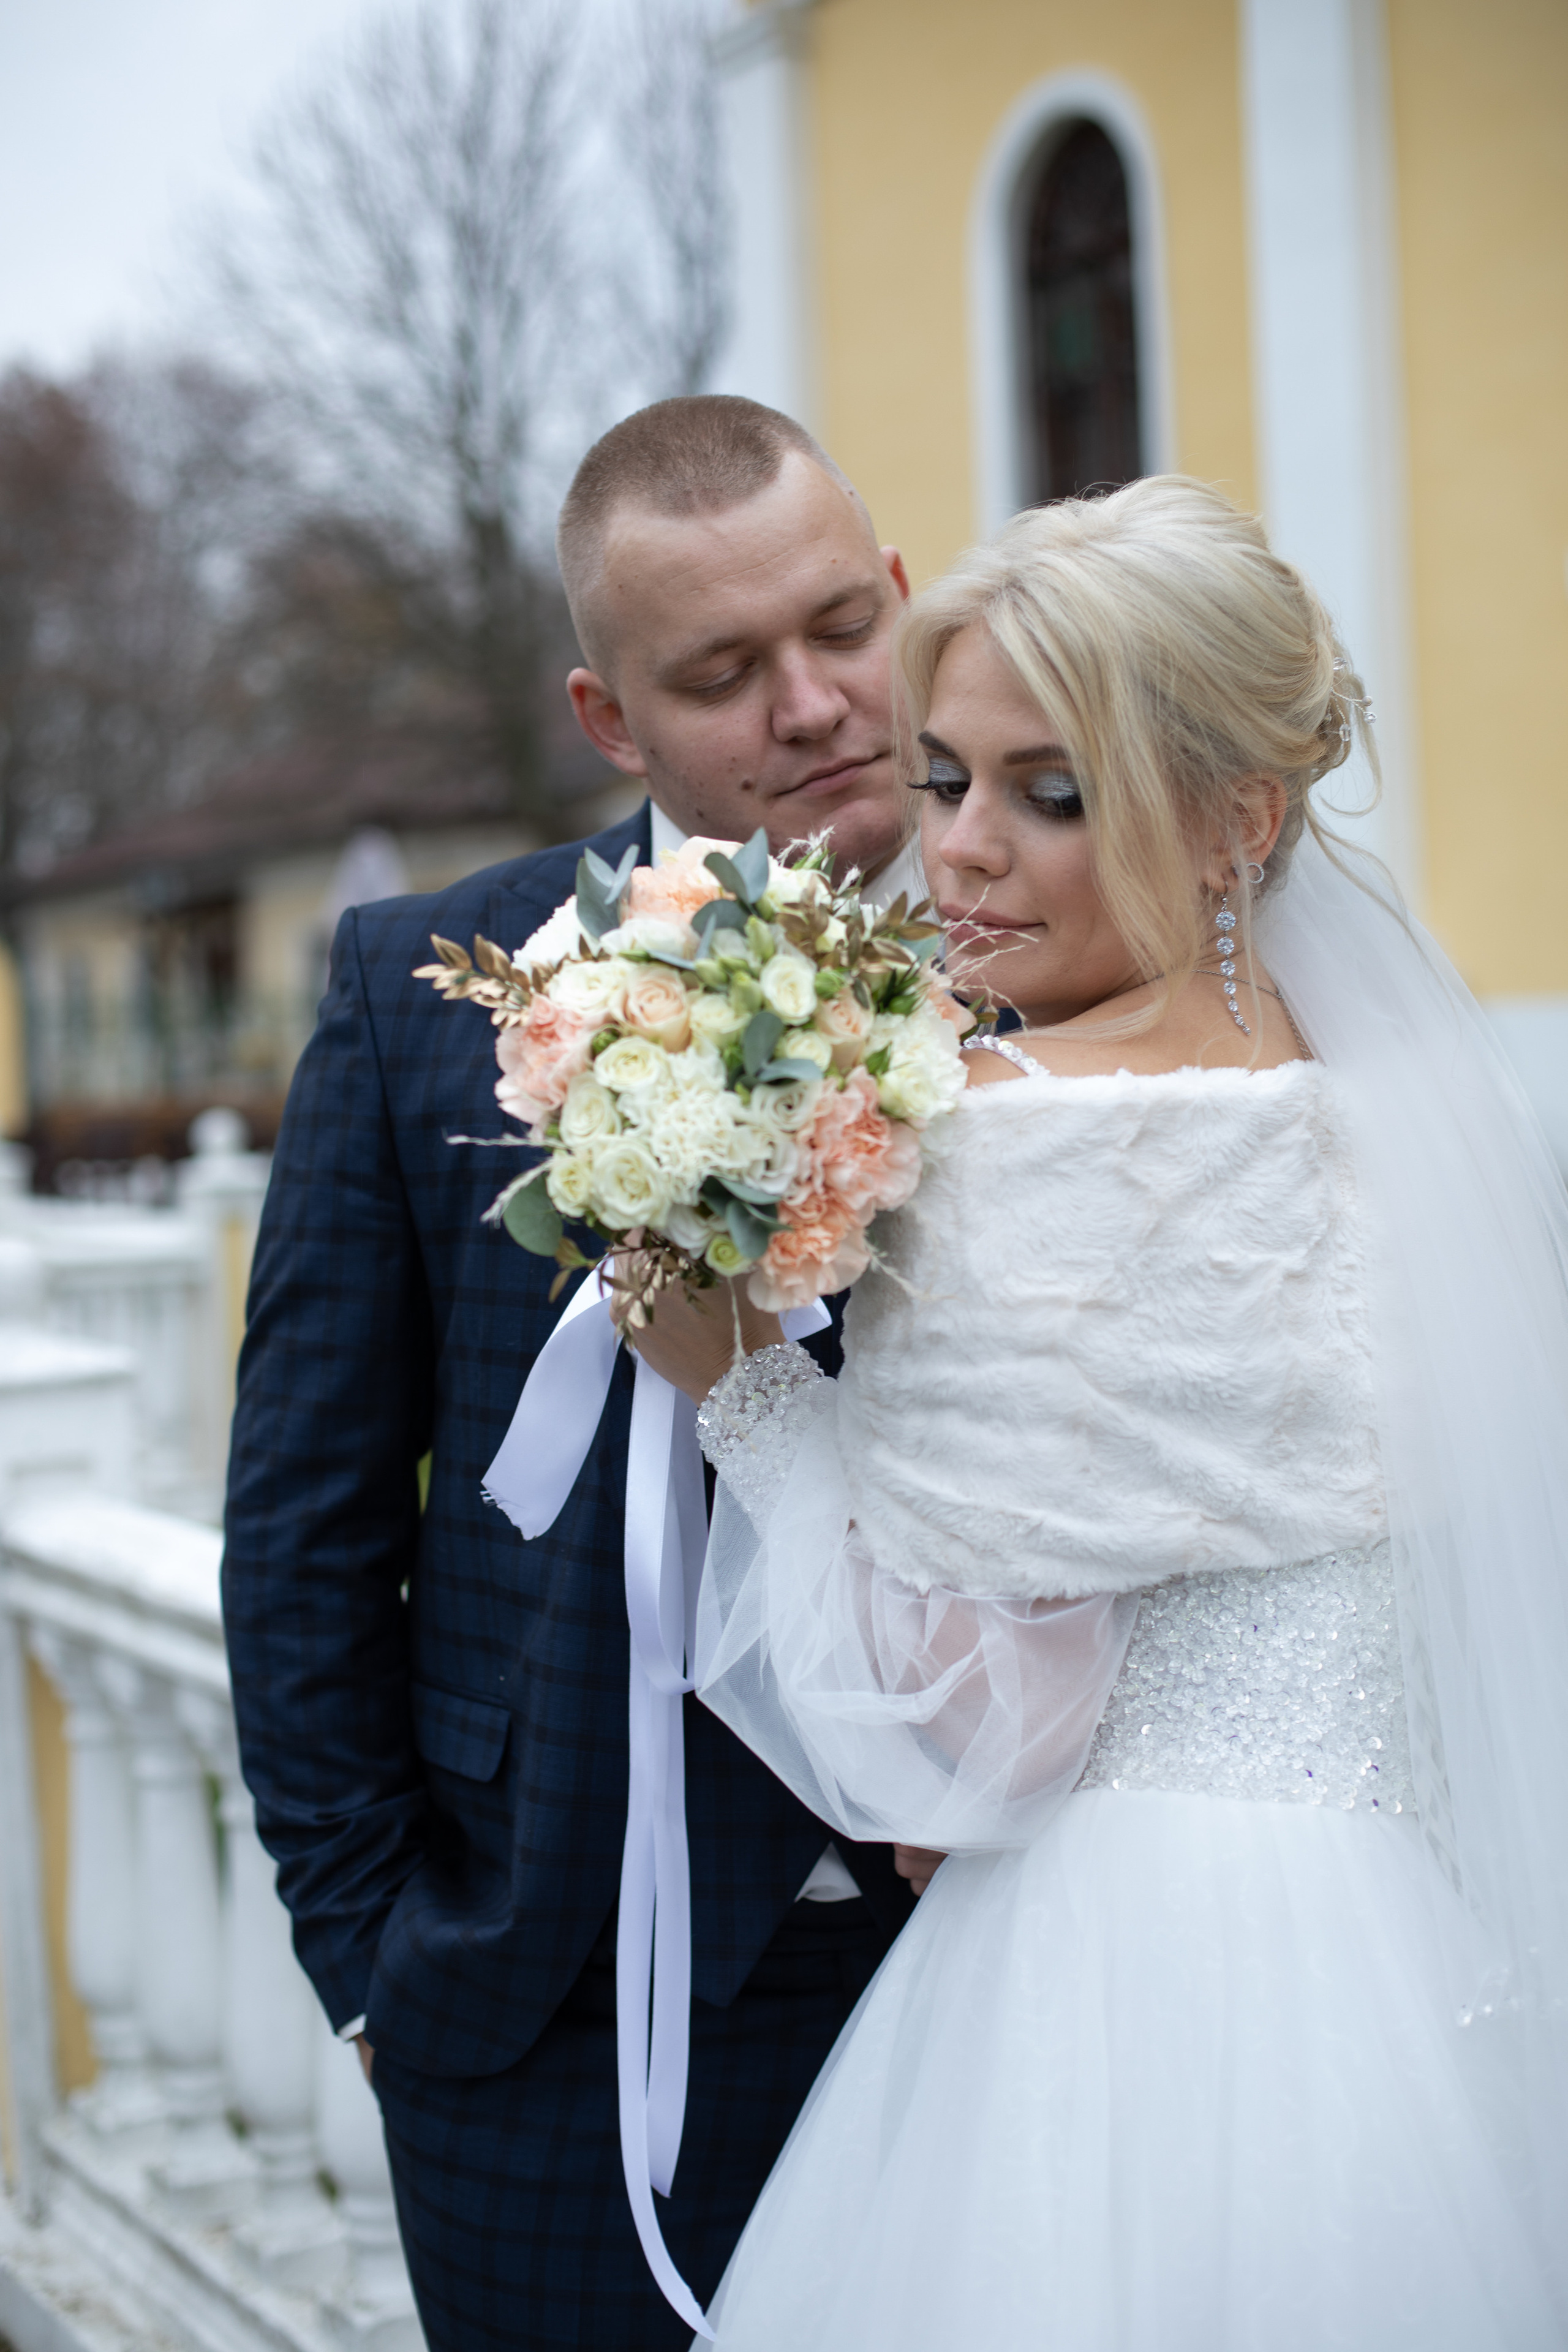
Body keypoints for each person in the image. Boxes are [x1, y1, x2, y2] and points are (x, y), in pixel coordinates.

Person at [626, 477, 1568, 2349]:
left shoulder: (983, 1141)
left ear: (1241, 821)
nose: (964, 851)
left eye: (1051, 795)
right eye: (951, 776)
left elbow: (927, 1716)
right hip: (1407, 1957)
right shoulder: (1427, 1121)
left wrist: (725, 1372)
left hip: (1100, 1973)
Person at [221, 394, 927, 2352]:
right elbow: (303, 1528)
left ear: (895, 600)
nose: (810, 707)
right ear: (611, 716)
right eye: (719, 674)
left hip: (972, 1975)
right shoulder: (425, 990)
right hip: (528, 2014)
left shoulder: (1049, 958)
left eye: (838, 633)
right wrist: (374, 1966)